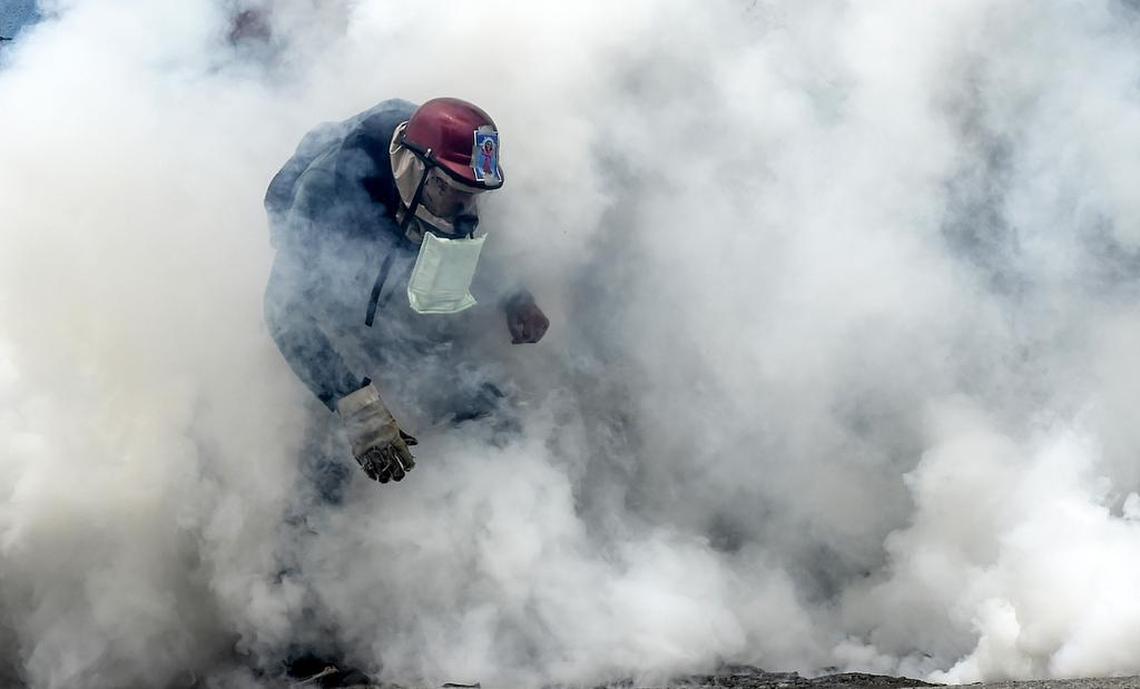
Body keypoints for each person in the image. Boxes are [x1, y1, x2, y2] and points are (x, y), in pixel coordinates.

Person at [264, 97, 549, 495]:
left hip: (396, 246)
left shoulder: (449, 172)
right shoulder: (331, 193)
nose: (467, 211)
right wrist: (355, 406)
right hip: (329, 278)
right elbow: (285, 312)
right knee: (333, 435)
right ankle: (307, 526)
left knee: (473, 394)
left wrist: (514, 296)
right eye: (455, 193)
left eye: (474, 195)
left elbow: (477, 241)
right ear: (416, 168)